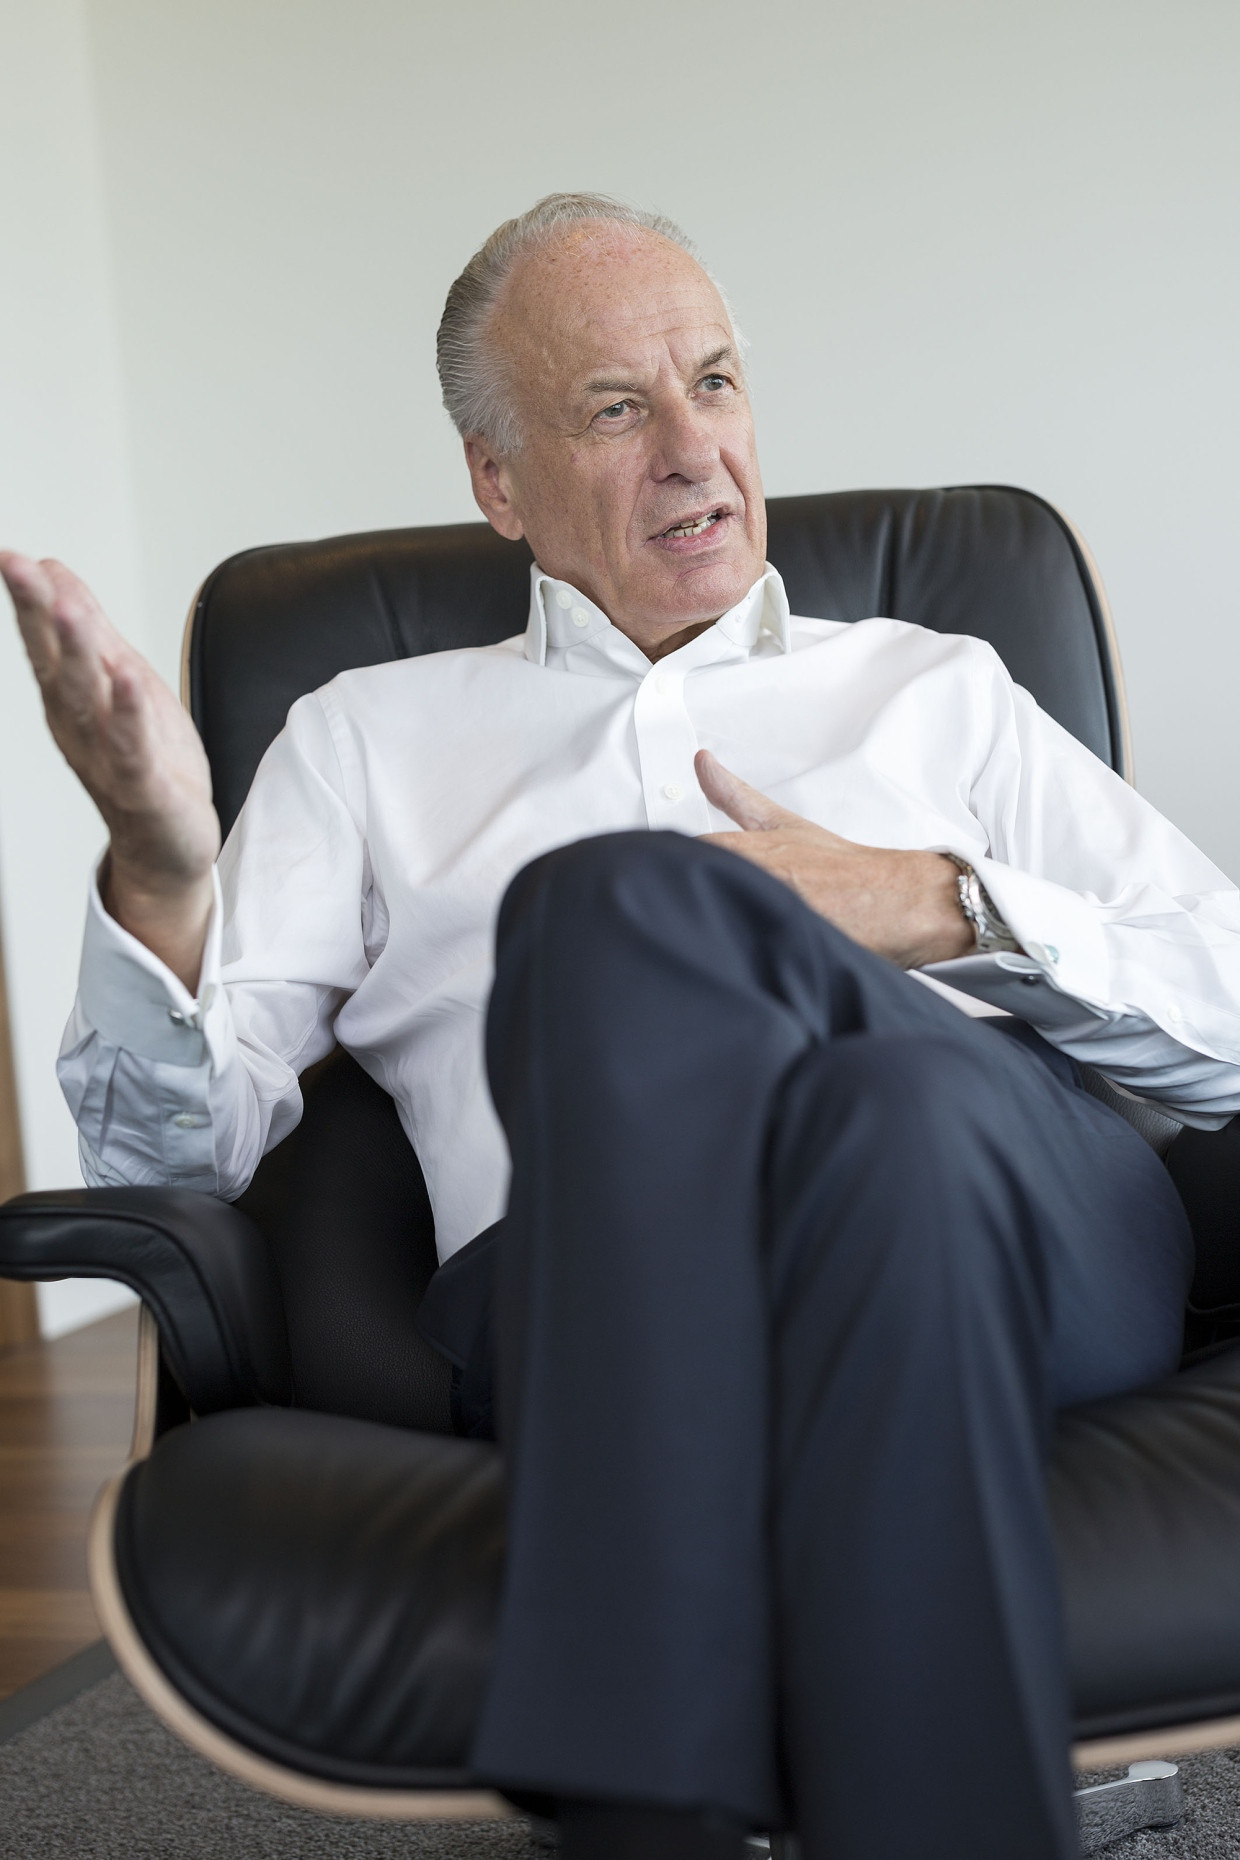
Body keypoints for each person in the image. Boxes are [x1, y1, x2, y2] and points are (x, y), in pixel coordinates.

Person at [4, 192, 1240, 1860]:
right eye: (614, 406)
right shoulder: (365, 738)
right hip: (586, 1273)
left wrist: (940, 902)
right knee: (712, 998)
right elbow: (177, 1145)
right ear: (497, 482)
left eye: (715, 382)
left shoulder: (933, 687)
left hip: (1031, 1222)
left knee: (701, 963)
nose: (693, 450)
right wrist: (160, 870)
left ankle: (643, 1802)